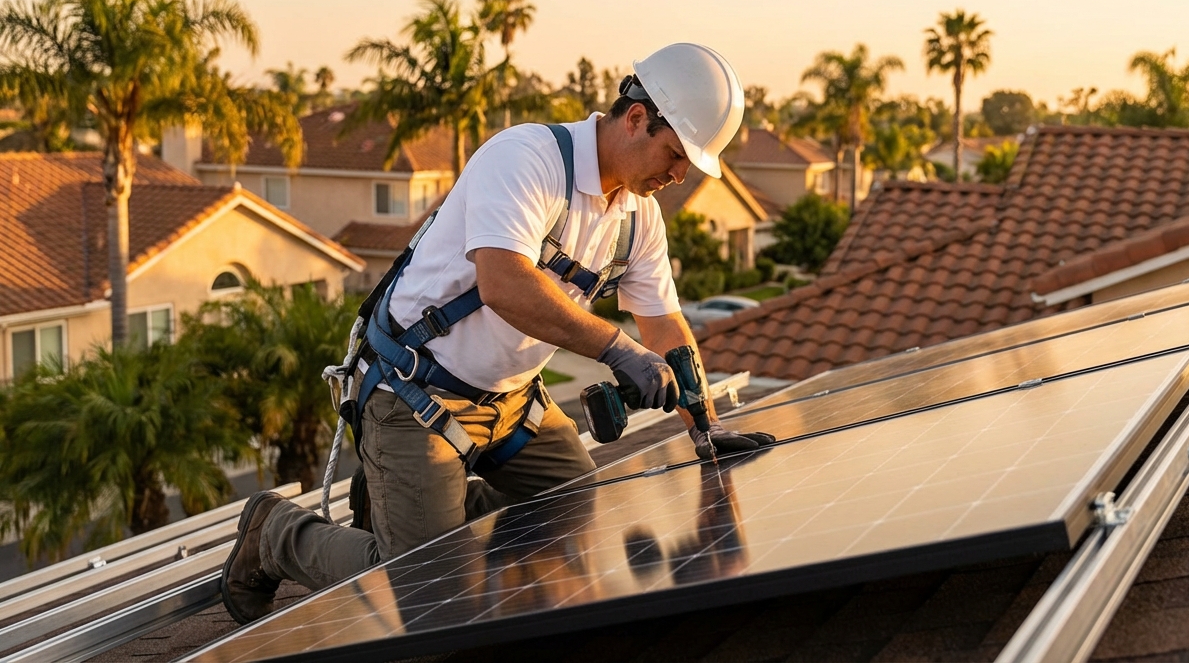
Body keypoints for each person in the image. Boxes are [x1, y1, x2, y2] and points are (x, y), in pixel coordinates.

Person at [221, 42, 776, 624]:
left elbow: (663, 323)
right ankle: (275, 533)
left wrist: (704, 426)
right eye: (677, 153)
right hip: (415, 394)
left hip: (514, 406)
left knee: (577, 510)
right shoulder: (527, 159)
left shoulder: (637, 218)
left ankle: (407, 504)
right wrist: (616, 349)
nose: (680, 174)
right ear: (636, 118)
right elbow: (503, 284)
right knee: (435, 591)